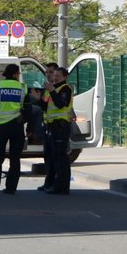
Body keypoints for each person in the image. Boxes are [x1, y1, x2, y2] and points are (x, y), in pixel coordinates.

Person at [0, 63, 30, 194]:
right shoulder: (23, 88)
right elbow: (28, 109)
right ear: (15, 74)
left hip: (2, 127)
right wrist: (29, 127)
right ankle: (11, 188)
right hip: (17, 127)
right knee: (15, 158)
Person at [43, 66, 74, 195]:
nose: (54, 78)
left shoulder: (65, 88)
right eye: (53, 75)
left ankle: (61, 186)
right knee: (53, 157)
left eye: (57, 76)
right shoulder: (53, 89)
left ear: (65, 77)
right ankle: (54, 184)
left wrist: (52, 92)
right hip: (51, 126)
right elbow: (46, 107)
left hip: (60, 126)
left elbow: (61, 104)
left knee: (61, 158)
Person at [35, 62, 58, 191]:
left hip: (57, 126)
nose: (48, 75)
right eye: (46, 72)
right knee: (47, 156)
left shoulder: (57, 88)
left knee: (55, 156)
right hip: (47, 125)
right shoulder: (47, 89)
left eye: (51, 72)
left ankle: (54, 183)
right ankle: (48, 182)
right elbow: (45, 107)